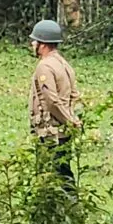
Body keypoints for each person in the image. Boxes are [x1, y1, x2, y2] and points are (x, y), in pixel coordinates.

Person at [28, 19, 82, 182]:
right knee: (63, 169)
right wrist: (74, 119)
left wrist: (69, 121)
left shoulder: (45, 66)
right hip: (64, 130)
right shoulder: (63, 64)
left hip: (52, 131)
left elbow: (51, 100)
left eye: (34, 41)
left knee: (54, 174)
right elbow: (75, 95)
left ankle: (69, 204)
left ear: (42, 44)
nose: (32, 44)